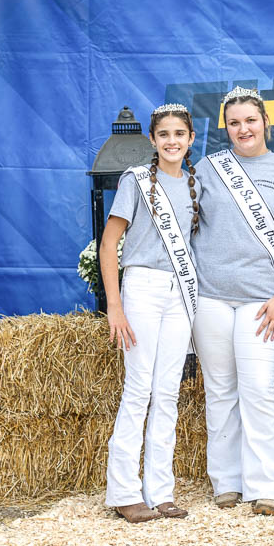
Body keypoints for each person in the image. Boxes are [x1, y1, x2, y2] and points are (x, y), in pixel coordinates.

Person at [192, 86, 274, 516]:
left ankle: (267, 486)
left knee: (258, 388)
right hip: (210, 297)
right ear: (225, 128)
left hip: (263, 301)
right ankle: (225, 481)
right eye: (233, 122)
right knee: (219, 388)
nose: (242, 128)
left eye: (250, 120)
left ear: (266, 122)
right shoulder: (208, 169)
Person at [100, 103, 200, 523]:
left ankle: (161, 491)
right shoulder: (136, 181)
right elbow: (109, 246)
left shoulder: (196, 184)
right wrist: (115, 308)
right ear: (153, 141)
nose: (172, 141)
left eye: (180, 134)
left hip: (180, 293)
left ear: (191, 139)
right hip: (141, 288)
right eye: (164, 135)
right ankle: (124, 491)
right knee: (138, 389)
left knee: (168, 392)